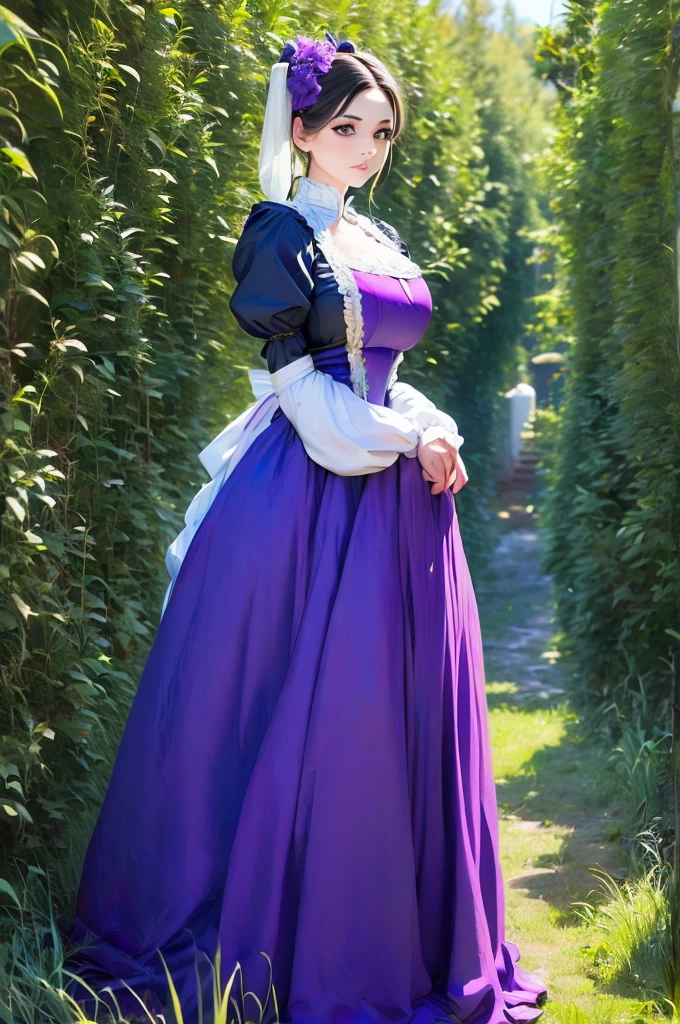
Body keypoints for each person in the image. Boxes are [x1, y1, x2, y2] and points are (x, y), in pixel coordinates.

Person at [63, 31, 548, 1024]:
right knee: (310, 719)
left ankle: (396, 937)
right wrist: (410, 442)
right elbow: (315, 414)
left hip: (398, 502)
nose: (365, 146)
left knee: (388, 726)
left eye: (379, 132)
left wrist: (433, 427)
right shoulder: (280, 234)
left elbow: (388, 381)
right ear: (302, 130)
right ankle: (292, 939)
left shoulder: (371, 241)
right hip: (306, 499)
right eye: (346, 128)